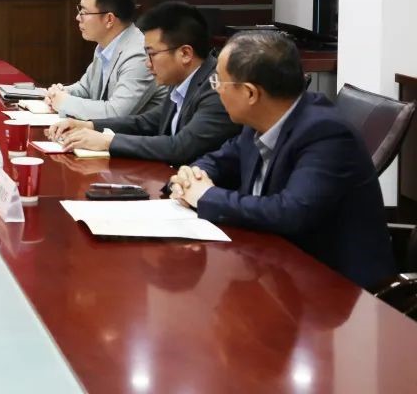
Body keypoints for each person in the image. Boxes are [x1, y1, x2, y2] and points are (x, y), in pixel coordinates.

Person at [168, 30, 395, 290]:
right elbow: (219, 160)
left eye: (219, 81)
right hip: (273, 269)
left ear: (250, 94)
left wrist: (206, 196)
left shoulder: (325, 133)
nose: (216, 89)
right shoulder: (259, 120)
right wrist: (192, 175)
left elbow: (290, 212)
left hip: (336, 289)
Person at [48, 2, 240, 164]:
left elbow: (180, 147)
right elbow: (146, 122)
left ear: (185, 54)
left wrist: (107, 142)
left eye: (152, 54)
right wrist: (88, 125)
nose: (147, 63)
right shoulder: (181, 81)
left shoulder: (217, 88)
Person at [45, 0, 167, 119]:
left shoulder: (139, 54)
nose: (78, 17)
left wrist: (66, 103)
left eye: (84, 12)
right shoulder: (105, 46)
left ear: (109, 19)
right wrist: (59, 93)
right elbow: (86, 88)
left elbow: (116, 113)